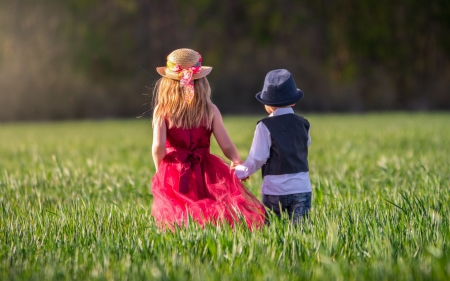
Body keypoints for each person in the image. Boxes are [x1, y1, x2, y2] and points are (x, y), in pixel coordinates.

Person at [151, 48, 265, 229]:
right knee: (208, 207)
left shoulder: (162, 110)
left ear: (167, 82)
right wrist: (236, 160)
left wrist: (160, 170)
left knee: (179, 210)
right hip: (205, 170)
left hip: (175, 169)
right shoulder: (210, 109)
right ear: (202, 81)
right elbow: (225, 143)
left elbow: (158, 147)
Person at [234, 69, 312, 224]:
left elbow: (258, 159)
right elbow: (306, 143)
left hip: (274, 190)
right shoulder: (304, 123)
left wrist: (237, 173)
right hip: (302, 188)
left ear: (267, 104)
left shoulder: (264, 126)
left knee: (273, 233)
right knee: (302, 233)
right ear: (293, 101)